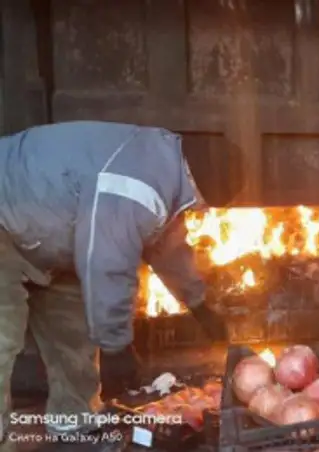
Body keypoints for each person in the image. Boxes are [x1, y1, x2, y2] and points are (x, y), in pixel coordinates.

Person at [0, 121, 228, 442]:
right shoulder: (136, 186)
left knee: (72, 329)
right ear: (197, 185)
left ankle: (73, 422)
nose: (201, 211)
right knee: (2, 334)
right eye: (203, 204)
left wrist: (199, 304)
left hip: (45, 231)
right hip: (6, 210)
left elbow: (168, 247)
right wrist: (115, 345)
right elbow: (106, 262)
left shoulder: (164, 168)